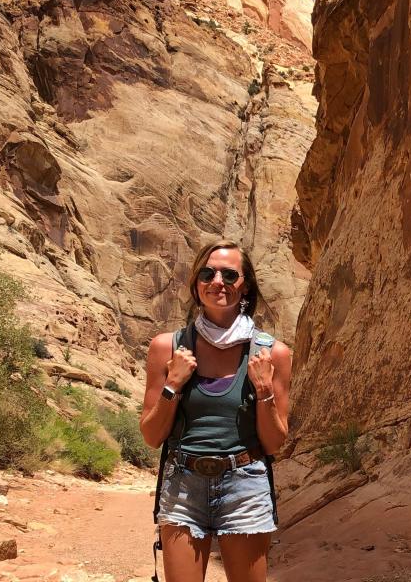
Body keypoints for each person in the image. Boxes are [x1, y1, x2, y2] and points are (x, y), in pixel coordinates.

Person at [140, 240, 292, 582]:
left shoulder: (272, 354)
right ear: (196, 284)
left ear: (246, 285)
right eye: (207, 273)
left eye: (229, 274)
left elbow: (274, 443)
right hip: (182, 485)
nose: (217, 281)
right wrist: (172, 385)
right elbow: (151, 435)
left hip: (245, 485)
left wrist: (265, 389)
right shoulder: (167, 347)